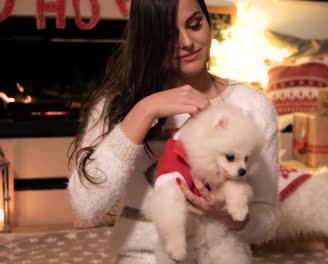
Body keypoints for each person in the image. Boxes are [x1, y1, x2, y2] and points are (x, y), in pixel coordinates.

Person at [67, 0, 279, 263]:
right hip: (142, 257)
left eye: (195, 24)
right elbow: (86, 208)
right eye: (168, 34)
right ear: (148, 40)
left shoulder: (250, 106)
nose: (187, 42)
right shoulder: (118, 104)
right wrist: (144, 111)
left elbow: (267, 222)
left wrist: (225, 215)